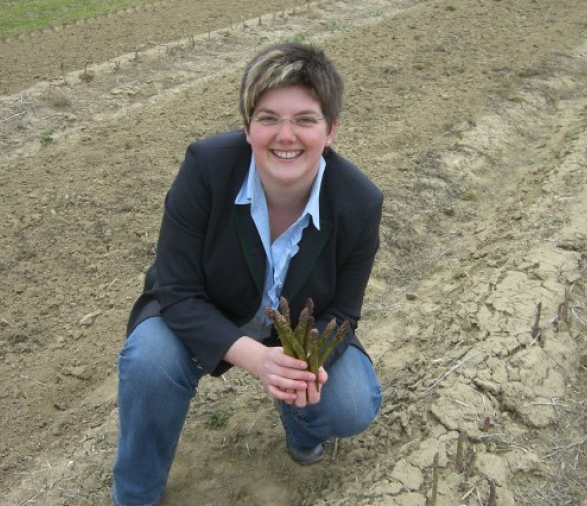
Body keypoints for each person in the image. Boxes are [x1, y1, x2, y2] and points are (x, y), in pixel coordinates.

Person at [111, 42, 384, 506]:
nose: (285, 135)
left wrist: (301, 370)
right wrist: (255, 359)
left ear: (331, 129)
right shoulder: (206, 167)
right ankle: (135, 494)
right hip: (208, 308)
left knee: (352, 400)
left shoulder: (359, 202)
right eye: (267, 117)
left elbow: (342, 312)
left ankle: (301, 427)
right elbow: (175, 289)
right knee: (151, 358)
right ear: (247, 126)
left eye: (305, 119)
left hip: (295, 331)